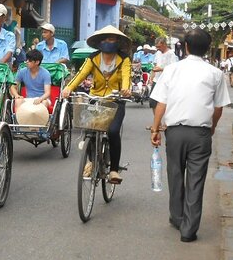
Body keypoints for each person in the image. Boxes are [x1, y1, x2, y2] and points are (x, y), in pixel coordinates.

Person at [150, 28, 230, 243]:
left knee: (175, 175)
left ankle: (177, 217)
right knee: (196, 180)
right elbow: (219, 107)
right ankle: (189, 230)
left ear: (185, 47)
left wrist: (156, 129)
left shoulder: (172, 70)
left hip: (175, 132)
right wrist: (211, 128)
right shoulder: (215, 73)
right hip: (200, 133)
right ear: (207, 49)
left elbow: (161, 104)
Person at [62, 25, 132, 184]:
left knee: (113, 131)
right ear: (100, 42)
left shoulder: (124, 60)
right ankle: (91, 160)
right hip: (95, 98)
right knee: (89, 130)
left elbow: (126, 77)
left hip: (116, 100)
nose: (108, 41)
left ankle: (114, 170)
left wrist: (126, 89)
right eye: (106, 38)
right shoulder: (93, 58)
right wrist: (68, 88)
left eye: (112, 39)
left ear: (117, 42)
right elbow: (80, 75)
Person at [149, 36, 178, 111]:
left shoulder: (171, 54)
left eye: (159, 46)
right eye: (156, 47)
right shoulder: (158, 53)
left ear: (164, 44)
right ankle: (158, 122)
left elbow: (174, 69)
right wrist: (151, 78)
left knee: (165, 103)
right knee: (152, 102)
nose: (157, 48)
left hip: (166, 81)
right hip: (156, 80)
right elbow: (155, 66)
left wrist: (161, 69)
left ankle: (165, 122)